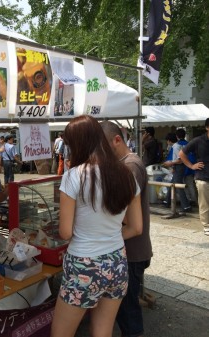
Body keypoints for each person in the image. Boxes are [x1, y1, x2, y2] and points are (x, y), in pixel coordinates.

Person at [51, 116, 142, 337]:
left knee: (61, 333)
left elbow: (65, 231)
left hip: (84, 264)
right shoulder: (126, 174)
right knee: (103, 331)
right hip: (117, 263)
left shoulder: (73, 176)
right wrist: (107, 235)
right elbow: (136, 227)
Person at [101, 121, 153, 337]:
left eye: (105, 147)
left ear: (117, 140)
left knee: (127, 307)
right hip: (126, 247)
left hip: (131, 249)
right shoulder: (122, 165)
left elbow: (123, 213)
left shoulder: (131, 166)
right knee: (124, 304)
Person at [179, 118, 209, 236]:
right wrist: (191, 166)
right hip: (202, 177)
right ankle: (206, 225)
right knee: (204, 203)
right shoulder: (198, 141)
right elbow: (181, 154)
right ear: (207, 127)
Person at [162, 132, 191, 212]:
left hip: (180, 167)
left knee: (177, 186)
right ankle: (167, 201)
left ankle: (186, 206)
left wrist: (170, 163)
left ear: (169, 141)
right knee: (172, 184)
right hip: (178, 167)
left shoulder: (176, 147)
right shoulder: (178, 145)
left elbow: (179, 160)